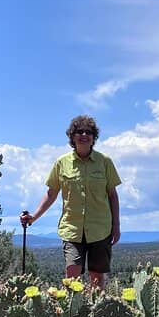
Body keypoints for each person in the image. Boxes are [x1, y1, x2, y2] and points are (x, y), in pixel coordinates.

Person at [21, 114, 122, 289]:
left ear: (93, 137)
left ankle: (94, 313)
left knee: (97, 277)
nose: (84, 135)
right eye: (79, 131)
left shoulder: (104, 162)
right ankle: (71, 314)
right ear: (72, 136)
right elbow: (51, 193)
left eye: (88, 132)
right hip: (72, 229)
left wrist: (116, 226)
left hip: (101, 228)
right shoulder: (62, 163)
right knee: (72, 274)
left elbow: (113, 195)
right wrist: (33, 217)